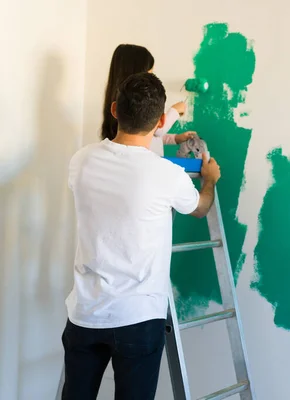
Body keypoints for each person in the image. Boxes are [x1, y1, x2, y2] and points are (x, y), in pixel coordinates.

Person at [61, 72, 221, 399]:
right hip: (138, 318)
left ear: (115, 109)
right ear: (161, 120)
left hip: (86, 315)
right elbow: (201, 208)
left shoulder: (81, 160)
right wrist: (210, 180)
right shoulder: (168, 175)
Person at [100, 43, 196, 155]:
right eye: (150, 74)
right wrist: (175, 110)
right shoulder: (133, 107)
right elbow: (158, 130)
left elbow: (152, 134)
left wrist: (176, 138)